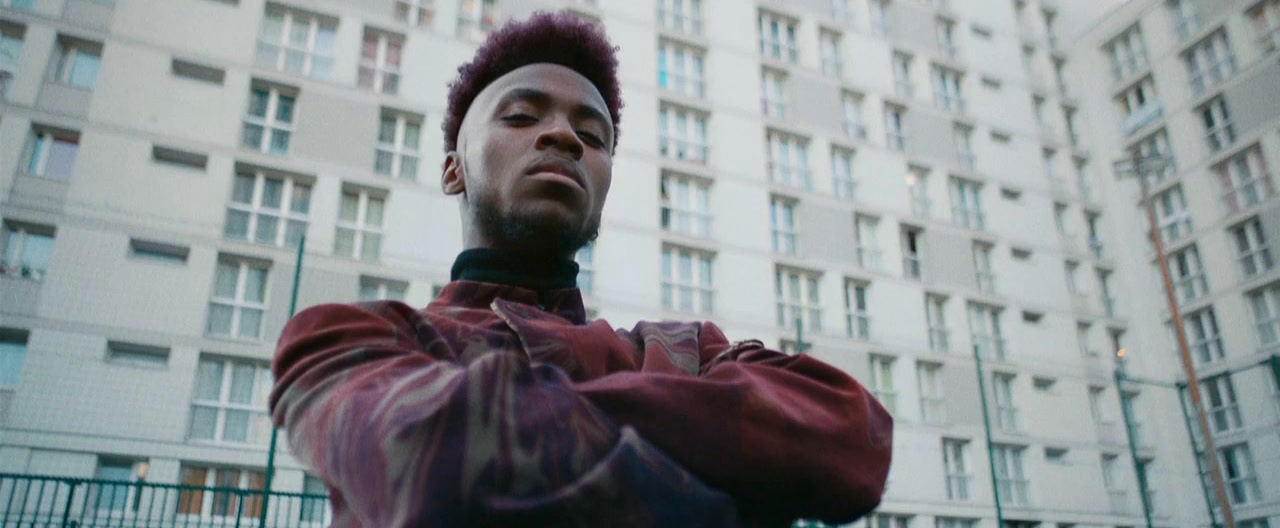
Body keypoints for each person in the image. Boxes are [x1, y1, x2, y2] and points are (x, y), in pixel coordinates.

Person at [270, 12, 892, 528]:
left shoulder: (687, 346)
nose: (564, 136)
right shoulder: (346, 338)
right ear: (453, 167)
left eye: (593, 136)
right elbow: (446, 474)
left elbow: (849, 434)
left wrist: (538, 421)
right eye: (521, 116)